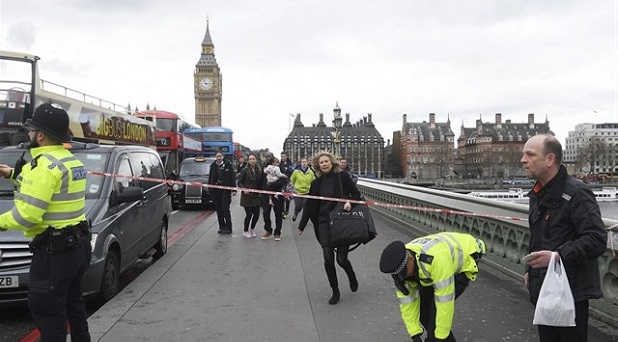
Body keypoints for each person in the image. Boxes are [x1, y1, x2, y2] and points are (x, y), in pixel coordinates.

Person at [0, 103, 92, 341]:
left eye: (31, 129)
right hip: (77, 246)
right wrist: (11, 174)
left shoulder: (42, 167)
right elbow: (48, 192)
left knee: (48, 312)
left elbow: (27, 216)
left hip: (54, 255)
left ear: (40, 135)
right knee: (74, 305)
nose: (28, 134)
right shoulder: (69, 161)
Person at [521, 134, 606, 342]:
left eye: (530, 155)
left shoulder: (576, 193)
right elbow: (540, 238)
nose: (523, 160)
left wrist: (557, 256)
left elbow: (596, 239)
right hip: (545, 289)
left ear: (549, 159)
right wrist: (530, 270)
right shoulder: (538, 192)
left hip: (571, 292)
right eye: (523, 154)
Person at [379, 232, 487, 342]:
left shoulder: (435, 259)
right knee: (424, 309)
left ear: (411, 258)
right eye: (398, 274)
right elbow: (407, 303)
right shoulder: (400, 265)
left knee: (435, 316)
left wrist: (438, 337)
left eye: (404, 272)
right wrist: (415, 334)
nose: (403, 277)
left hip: (464, 258)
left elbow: (445, 302)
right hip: (434, 264)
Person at [297, 151, 361, 305]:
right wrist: (302, 225)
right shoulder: (316, 183)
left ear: (332, 162)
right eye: (321, 162)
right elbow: (310, 205)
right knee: (327, 258)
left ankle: (351, 274)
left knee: (341, 259)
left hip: (340, 221)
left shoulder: (342, 177)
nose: (324, 164)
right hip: (323, 223)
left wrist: (349, 202)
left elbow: (356, 194)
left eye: (326, 161)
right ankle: (335, 291)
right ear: (318, 166)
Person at [208, 151, 236, 234]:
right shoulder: (213, 166)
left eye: (220, 156)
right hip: (216, 190)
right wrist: (210, 189)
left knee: (225, 209)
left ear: (223, 157)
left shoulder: (228, 165)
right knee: (219, 209)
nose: (219, 158)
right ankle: (222, 227)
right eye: (217, 156)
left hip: (225, 190)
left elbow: (232, 178)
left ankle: (228, 228)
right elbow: (211, 178)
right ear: (215, 157)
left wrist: (233, 189)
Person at [260, 152, 286, 241]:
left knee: (278, 214)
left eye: (269, 156)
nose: (267, 158)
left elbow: (283, 180)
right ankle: (268, 229)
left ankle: (277, 232)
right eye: (266, 157)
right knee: (266, 213)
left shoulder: (279, 166)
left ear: (272, 157)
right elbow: (261, 179)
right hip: (266, 194)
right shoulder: (264, 167)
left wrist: (272, 184)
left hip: (277, 193)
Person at [238, 154, 263, 238]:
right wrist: (244, 189)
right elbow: (239, 182)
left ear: (256, 160)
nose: (252, 160)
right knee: (248, 214)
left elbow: (260, 182)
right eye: (250, 159)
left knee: (256, 214)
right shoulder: (244, 170)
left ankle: (252, 229)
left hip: (256, 195)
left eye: (253, 159)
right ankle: (245, 230)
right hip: (246, 196)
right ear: (248, 161)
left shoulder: (259, 170)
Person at [289, 157, 315, 222]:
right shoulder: (296, 172)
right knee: (298, 206)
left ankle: (303, 220)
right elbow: (291, 181)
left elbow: (314, 182)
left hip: (307, 192)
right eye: (302, 162)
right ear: (300, 163)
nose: (304, 163)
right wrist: (292, 190)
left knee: (305, 206)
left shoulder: (311, 172)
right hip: (298, 192)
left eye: (305, 162)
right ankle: (295, 213)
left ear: (307, 163)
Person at [279, 152, 295, 218]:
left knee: (288, 197)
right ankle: (282, 211)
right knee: (282, 197)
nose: (283, 158)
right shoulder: (280, 164)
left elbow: (293, 170)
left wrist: (287, 169)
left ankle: (287, 210)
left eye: (284, 156)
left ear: (286, 156)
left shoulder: (290, 163)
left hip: (288, 182)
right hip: (282, 182)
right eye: (282, 156)